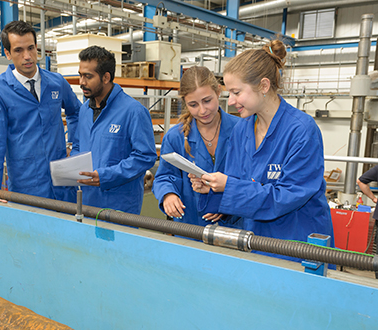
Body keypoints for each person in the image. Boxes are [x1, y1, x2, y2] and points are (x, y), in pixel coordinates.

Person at [191, 40, 334, 261]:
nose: (231, 102)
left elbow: (287, 197)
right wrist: (212, 189)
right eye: (229, 93)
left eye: (237, 92)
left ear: (264, 86)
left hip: (297, 244)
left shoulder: (301, 130)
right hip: (254, 241)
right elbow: (237, 182)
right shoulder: (242, 129)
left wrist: (229, 187)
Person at [0, 21, 81, 203]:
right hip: (26, 184)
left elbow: (76, 113)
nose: (27, 56)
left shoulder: (56, 82)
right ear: (8, 54)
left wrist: (74, 146)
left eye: (31, 48)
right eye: (18, 50)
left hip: (64, 182)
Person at [71, 46, 157, 215]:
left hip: (120, 205)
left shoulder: (133, 111)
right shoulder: (84, 110)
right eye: (80, 75)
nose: (81, 82)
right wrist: (72, 167)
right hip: (87, 201)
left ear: (106, 77)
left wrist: (105, 176)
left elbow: (145, 157)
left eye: (88, 76)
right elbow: (78, 145)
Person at [152, 66, 241, 228]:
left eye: (207, 101)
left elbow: (251, 178)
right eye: (193, 104)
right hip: (190, 225)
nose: (202, 110)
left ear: (218, 92)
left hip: (233, 226)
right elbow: (164, 176)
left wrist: (225, 200)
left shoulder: (242, 130)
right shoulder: (175, 137)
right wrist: (168, 195)